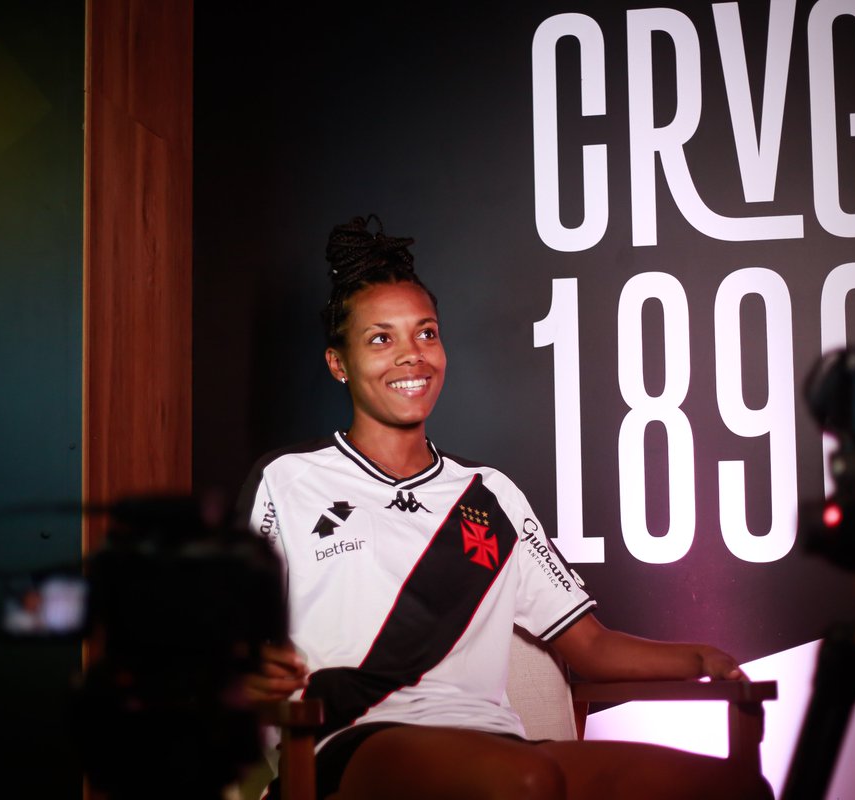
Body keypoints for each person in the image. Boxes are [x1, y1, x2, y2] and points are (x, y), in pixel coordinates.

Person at [236, 215, 774, 800]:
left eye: (426, 333)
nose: (412, 356)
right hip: (352, 746)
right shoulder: (288, 480)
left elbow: (591, 646)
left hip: (497, 745)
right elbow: (228, 643)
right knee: (522, 783)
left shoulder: (489, 494)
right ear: (338, 363)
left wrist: (700, 656)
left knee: (732, 788)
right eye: (380, 339)